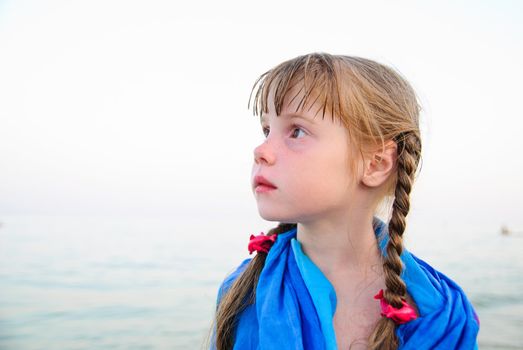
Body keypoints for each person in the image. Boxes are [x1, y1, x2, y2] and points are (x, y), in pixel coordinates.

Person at [208, 53, 480, 349]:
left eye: (296, 131)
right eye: (266, 130)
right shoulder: (242, 291)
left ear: (375, 163)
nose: (261, 150)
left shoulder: (442, 312)